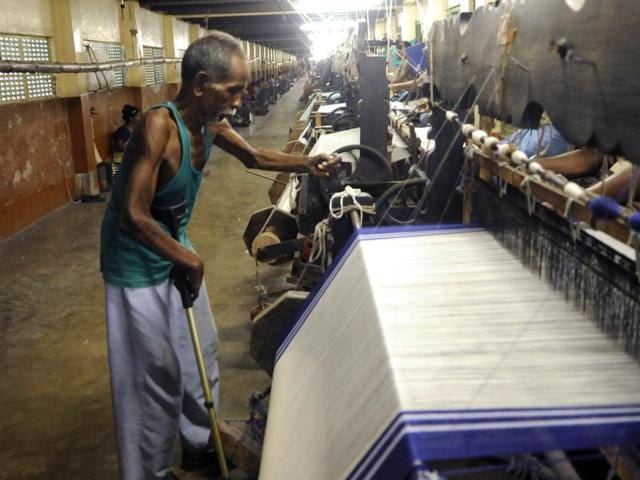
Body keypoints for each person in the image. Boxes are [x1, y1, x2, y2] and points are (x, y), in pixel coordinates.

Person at [100, 31, 339, 480]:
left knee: (200, 349)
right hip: (135, 261)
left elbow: (255, 157)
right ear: (200, 84)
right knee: (151, 377)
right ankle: (147, 471)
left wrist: (309, 164)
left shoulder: (210, 123)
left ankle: (197, 442)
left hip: (172, 240)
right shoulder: (159, 127)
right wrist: (187, 258)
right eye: (233, 89)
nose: (242, 96)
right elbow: (133, 213)